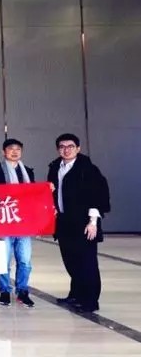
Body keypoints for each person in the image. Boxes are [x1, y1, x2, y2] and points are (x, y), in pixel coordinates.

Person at [48, 133, 110, 313]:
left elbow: (98, 194)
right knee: (71, 260)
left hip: (83, 223)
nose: (66, 150)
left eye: (70, 146)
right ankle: (76, 294)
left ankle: (90, 300)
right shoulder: (55, 167)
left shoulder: (87, 169)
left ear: (78, 148)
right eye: (62, 147)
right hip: (64, 222)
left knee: (87, 262)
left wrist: (93, 222)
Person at [0, 138, 35, 308]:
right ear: (3, 152)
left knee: (25, 261)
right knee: (3, 261)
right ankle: (5, 291)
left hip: (24, 224)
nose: (14, 152)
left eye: (18, 149)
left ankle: (22, 291)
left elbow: (34, 196)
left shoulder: (27, 172)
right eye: (10, 149)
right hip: (3, 223)